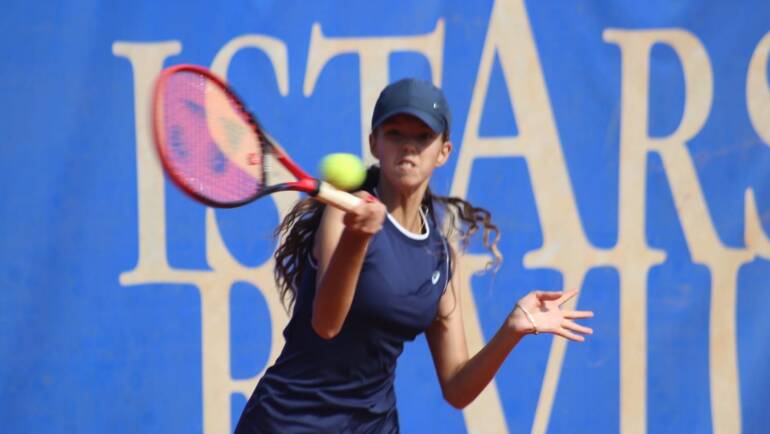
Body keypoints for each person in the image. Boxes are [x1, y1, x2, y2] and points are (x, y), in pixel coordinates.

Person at [234, 78, 594, 433]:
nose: (409, 146)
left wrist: (511, 330)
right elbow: (326, 325)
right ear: (374, 143)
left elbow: (456, 387)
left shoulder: (439, 256)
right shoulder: (344, 214)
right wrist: (357, 240)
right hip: (287, 423)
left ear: (443, 152)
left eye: (423, 137)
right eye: (395, 133)